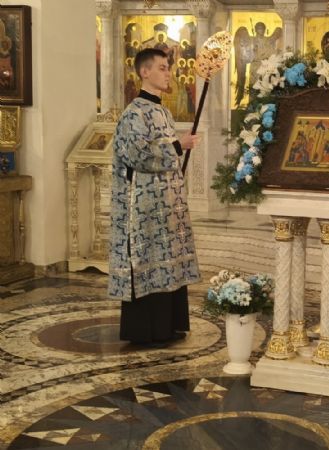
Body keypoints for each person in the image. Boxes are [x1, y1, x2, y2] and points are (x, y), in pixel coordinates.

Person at [108, 48, 200, 344]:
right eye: (162, 67)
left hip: (166, 206)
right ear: (144, 72)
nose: (168, 73)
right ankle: (147, 330)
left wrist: (178, 150)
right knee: (148, 260)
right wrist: (177, 146)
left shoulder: (163, 112)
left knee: (169, 261)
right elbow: (136, 154)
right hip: (144, 210)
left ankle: (169, 325)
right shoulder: (133, 113)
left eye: (169, 67)